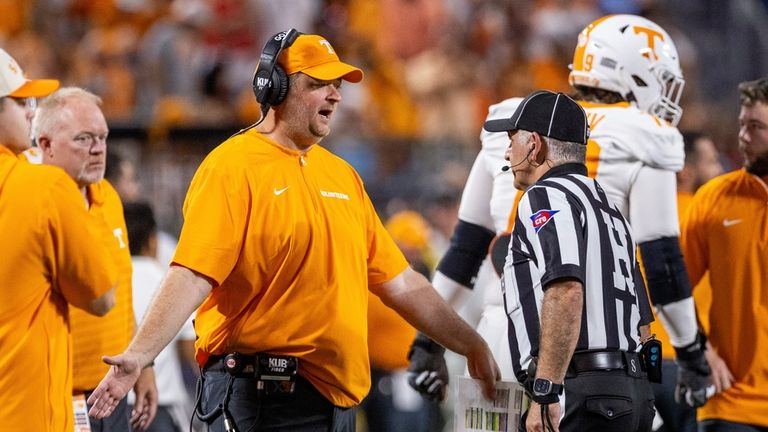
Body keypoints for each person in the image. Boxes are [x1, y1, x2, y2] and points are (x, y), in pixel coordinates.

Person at [85, 29, 500, 432]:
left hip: (337, 405)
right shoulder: (232, 167)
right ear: (276, 88)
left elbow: (403, 283)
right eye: (320, 83)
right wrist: (140, 355)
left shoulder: (342, 176)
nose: (335, 94)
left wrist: (469, 343)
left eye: (337, 84)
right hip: (259, 398)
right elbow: (193, 273)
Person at [407, 15, 714, 410]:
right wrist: (690, 353)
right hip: (588, 349)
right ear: (634, 74)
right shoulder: (647, 135)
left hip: (500, 336)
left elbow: (464, 251)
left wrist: (426, 342)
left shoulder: (514, 120)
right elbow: (663, 265)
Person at [488, 89, 655, 431]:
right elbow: (643, 322)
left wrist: (545, 391)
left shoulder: (546, 195)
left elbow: (566, 291)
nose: (507, 151)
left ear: (534, 144)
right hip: (631, 391)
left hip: (583, 393)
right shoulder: (608, 206)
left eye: (511, 139)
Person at [0, 49, 117, 431]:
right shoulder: (45, 186)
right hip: (25, 413)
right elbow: (101, 297)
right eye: (21, 103)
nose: (32, 112)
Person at [31, 87, 158, 432]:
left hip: (111, 391)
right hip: (52, 395)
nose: (98, 148)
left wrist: (142, 365)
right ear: (45, 144)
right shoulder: (31, 204)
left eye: (102, 137)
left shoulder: (108, 196)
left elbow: (122, 289)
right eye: (84, 138)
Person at [680, 77, 768, 432]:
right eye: (742, 125)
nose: (744, 137)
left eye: (757, 127)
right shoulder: (713, 199)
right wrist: (700, 350)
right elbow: (673, 289)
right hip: (732, 406)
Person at [650, 131, 723, 432]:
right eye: (711, 161)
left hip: (641, 363)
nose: (719, 170)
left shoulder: (640, 217)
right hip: (690, 359)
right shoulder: (710, 215)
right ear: (685, 170)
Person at [124, 201, 196, 432]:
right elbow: (190, 350)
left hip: (115, 406)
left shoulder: (109, 282)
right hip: (161, 406)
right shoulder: (166, 282)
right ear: (152, 240)